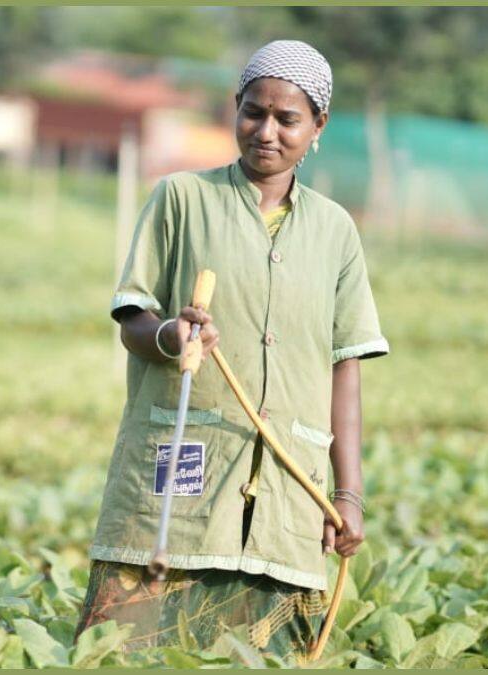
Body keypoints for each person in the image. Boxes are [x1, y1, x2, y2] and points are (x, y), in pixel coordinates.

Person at [75, 40, 389, 663]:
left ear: (318, 126)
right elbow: (133, 318)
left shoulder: (335, 231)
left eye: (287, 119)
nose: (265, 131)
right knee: (126, 654)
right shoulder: (181, 199)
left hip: (291, 485)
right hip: (179, 472)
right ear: (235, 109)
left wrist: (348, 496)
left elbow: (343, 365)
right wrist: (172, 335)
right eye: (253, 112)